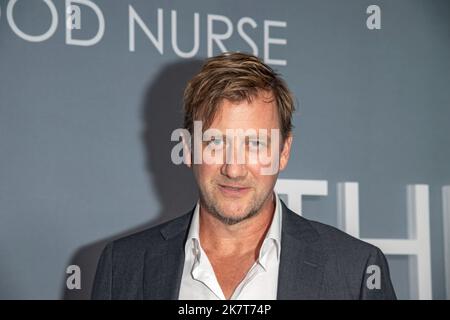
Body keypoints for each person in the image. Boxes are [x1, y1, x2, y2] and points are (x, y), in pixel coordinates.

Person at [91, 52, 396, 300]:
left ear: (283, 152)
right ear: (187, 149)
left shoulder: (356, 271)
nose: (234, 170)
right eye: (215, 143)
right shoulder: (123, 266)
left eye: (255, 144)